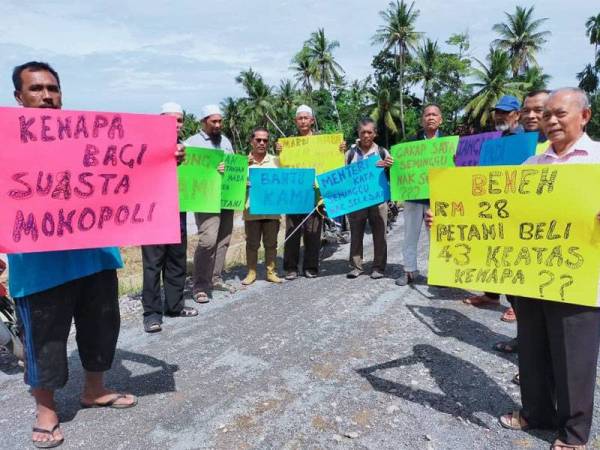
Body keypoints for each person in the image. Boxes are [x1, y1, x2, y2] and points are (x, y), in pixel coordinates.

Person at [9, 61, 136, 449]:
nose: (46, 95)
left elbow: (129, 168)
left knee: (102, 327)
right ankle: (46, 411)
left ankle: (94, 390)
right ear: (19, 97)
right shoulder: (6, 143)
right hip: (39, 266)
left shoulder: (89, 138)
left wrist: (165, 158)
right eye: (36, 89)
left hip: (95, 256)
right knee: (44, 340)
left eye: (53, 88)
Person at [499, 88, 600, 450]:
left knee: (574, 357)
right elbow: (506, 215)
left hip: (580, 277)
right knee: (533, 349)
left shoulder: (598, 160)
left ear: (584, 117)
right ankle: (537, 412)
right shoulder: (531, 166)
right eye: (547, 116)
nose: (552, 121)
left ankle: (574, 435)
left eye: (560, 114)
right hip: (531, 276)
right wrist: (446, 219)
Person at [463, 95, 524, 313]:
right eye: (498, 111)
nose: (500, 115)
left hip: (514, 207)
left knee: (511, 256)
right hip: (492, 205)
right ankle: (491, 295)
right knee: (492, 252)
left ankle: (517, 305)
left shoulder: (525, 140)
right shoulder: (496, 139)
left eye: (505, 112)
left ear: (517, 115)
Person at [140, 102, 197, 333]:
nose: (175, 124)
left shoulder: (186, 150)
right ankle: (152, 314)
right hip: (152, 214)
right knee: (153, 265)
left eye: (180, 120)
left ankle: (174, 305)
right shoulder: (145, 147)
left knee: (176, 261)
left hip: (178, 212)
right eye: (170, 119)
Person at [276, 105, 345, 280]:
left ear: (312, 121)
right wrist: (280, 152)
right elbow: (281, 166)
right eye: (300, 118)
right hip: (295, 195)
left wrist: (339, 149)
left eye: (306, 118)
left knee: (313, 232)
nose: (303, 121)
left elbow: (334, 163)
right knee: (292, 231)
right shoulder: (288, 145)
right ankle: (291, 267)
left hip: (315, 195)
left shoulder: (324, 143)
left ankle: (311, 266)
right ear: (296, 121)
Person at [184, 105, 236, 302]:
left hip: (226, 196)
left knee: (224, 239)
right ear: (203, 122)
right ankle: (199, 285)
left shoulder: (225, 141)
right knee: (208, 240)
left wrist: (230, 167)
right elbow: (187, 171)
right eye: (213, 121)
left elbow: (233, 165)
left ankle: (215, 278)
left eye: (220, 121)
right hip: (205, 199)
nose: (217, 125)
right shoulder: (191, 143)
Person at [396, 104, 443, 286]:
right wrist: (393, 162)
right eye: (427, 115)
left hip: (438, 198)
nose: (430, 117)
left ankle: (438, 274)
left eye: (434, 114)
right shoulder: (409, 144)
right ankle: (409, 271)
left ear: (440, 119)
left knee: (436, 238)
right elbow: (400, 166)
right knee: (410, 235)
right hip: (414, 197)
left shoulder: (450, 143)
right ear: (422, 120)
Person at [345, 118, 394, 279]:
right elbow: (342, 176)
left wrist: (389, 165)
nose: (366, 135)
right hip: (357, 201)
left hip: (378, 200)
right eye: (363, 132)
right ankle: (356, 266)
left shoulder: (382, 152)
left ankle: (378, 267)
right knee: (356, 233)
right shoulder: (350, 154)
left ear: (375, 134)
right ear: (358, 133)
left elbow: (393, 174)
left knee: (380, 234)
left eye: (369, 132)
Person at [241, 127, 282, 285]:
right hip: (252, 210)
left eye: (265, 140)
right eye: (258, 140)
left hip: (272, 210)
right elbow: (235, 183)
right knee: (252, 244)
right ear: (252, 141)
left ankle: (271, 271)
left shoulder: (276, 161)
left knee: (271, 243)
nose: (262, 143)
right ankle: (251, 272)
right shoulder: (243, 163)